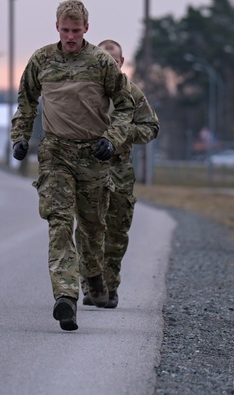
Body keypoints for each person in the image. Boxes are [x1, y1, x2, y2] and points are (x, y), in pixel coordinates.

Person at [11, 0, 134, 331]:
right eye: (65, 30)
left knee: (93, 229)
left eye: (76, 31)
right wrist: (20, 137)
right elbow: (26, 101)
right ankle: (65, 296)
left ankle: (93, 276)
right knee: (60, 222)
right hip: (55, 153)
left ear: (86, 29)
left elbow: (126, 106)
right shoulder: (42, 60)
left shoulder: (100, 62)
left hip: (93, 155)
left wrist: (113, 137)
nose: (70, 37)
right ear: (56, 28)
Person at [78, 38, 160, 309]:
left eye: (114, 60)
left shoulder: (131, 92)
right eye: (104, 58)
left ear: (121, 63)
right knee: (89, 230)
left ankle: (110, 287)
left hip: (120, 170)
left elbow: (151, 127)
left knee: (116, 230)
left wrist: (123, 134)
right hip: (88, 169)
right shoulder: (84, 90)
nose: (109, 64)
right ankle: (90, 285)